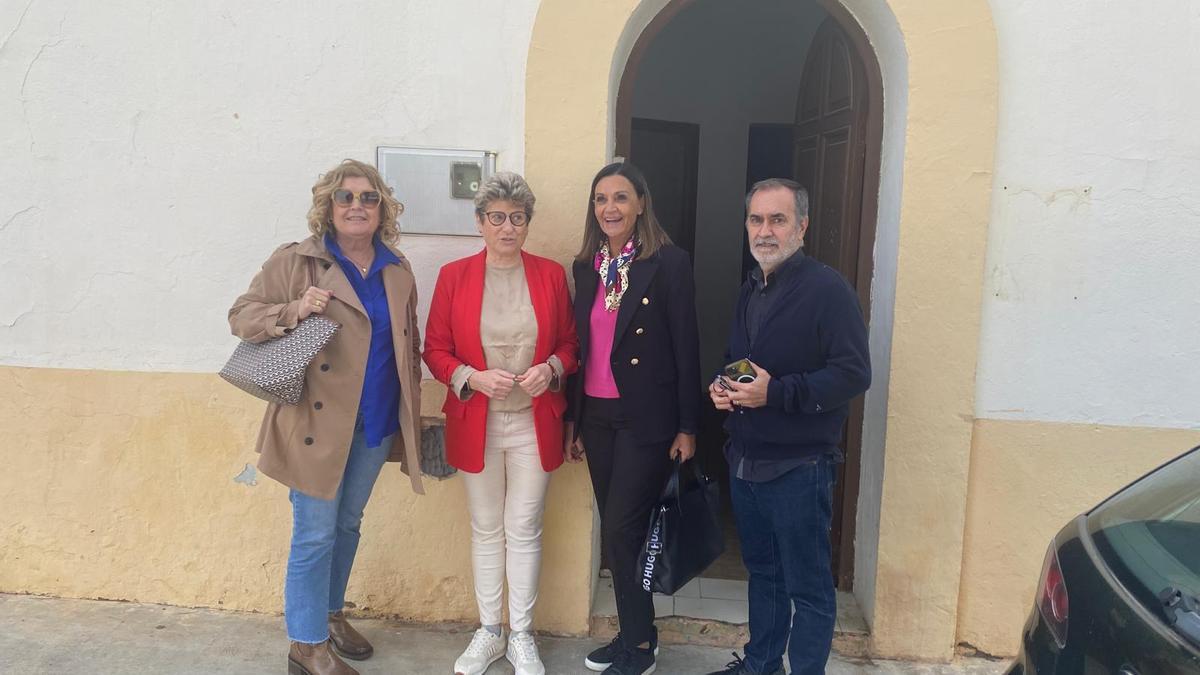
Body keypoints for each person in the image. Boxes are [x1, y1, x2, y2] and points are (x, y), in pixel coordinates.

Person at [228, 159, 425, 675]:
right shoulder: (298, 262)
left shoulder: (396, 267)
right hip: (315, 426)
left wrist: (416, 416)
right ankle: (306, 644)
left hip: (376, 422)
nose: (357, 206)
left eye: (368, 197)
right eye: (345, 197)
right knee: (314, 534)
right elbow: (241, 315)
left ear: (382, 208)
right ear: (328, 207)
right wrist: (293, 309)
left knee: (349, 525)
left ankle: (332, 613)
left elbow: (410, 345)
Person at [705, 179, 871, 675]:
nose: (765, 230)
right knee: (764, 575)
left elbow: (853, 374)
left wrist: (775, 393)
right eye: (756, 220)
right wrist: (724, 386)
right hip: (747, 459)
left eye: (777, 220)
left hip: (800, 466)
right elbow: (739, 360)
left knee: (809, 588)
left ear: (802, 226)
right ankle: (761, 665)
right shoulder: (751, 286)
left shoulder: (827, 289)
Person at [423, 172, 578, 675]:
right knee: (486, 528)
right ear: (480, 223)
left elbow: (571, 346)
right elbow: (435, 351)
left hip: (534, 422)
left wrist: (550, 369)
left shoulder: (551, 275)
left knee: (525, 527)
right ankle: (490, 631)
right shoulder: (454, 276)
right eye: (497, 218)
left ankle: (522, 635)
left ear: (527, 224)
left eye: (517, 218)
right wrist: (471, 376)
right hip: (478, 420)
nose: (507, 228)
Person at [564, 161, 701, 675]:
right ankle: (632, 633)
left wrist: (688, 426)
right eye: (601, 199)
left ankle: (641, 646)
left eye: (620, 197)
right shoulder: (586, 266)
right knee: (617, 530)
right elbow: (581, 347)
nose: (610, 208)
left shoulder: (668, 263)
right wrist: (572, 423)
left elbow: (687, 347)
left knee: (623, 529)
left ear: (641, 203)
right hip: (596, 417)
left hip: (647, 419)